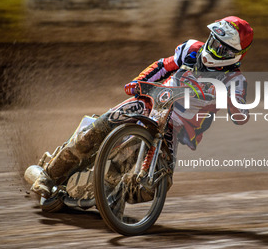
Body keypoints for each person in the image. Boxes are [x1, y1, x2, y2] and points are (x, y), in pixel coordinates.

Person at [31, 16, 254, 198]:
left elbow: (241, 113)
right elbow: (162, 65)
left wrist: (234, 106)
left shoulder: (235, 80)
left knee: (155, 187)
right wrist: (138, 82)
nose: (212, 49)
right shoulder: (191, 49)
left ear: (235, 55)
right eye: (213, 41)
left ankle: (107, 195)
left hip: (177, 128)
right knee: (99, 128)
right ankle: (49, 174)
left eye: (221, 49)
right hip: (153, 101)